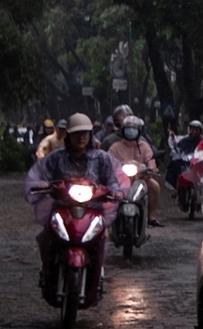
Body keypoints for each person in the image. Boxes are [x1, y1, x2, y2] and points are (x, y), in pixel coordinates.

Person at [24, 114, 120, 307]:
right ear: (68, 135)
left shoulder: (101, 158)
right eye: (76, 134)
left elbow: (112, 180)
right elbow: (40, 174)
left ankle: (98, 273)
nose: (81, 137)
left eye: (84, 133)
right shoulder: (56, 158)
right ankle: (47, 269)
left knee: (101, 238)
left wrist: (115, 191)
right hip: (62, 208)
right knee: (48, 237)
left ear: (90, 135)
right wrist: (42, 184)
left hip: (92, 209)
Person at [108, 115, 163, 226]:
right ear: (123, 130)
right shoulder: (115, 147)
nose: (131, 132)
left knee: (155, 186)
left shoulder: (144, 146)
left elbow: (150, 159)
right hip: (120, 180)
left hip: (141, 178)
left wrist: (152, 167)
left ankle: (151, 216)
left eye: (134, 129)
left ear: (139, 131)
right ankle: (110, 217)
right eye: (128, 129)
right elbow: (109, 162)